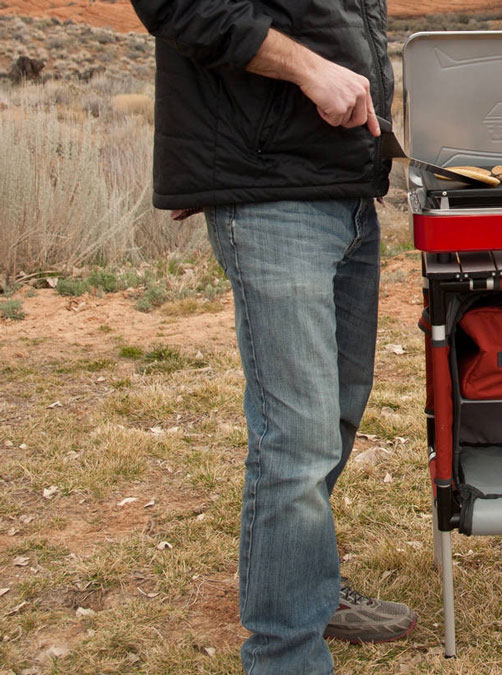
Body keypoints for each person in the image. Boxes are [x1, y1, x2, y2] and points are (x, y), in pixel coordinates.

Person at [127, 1, 415, 672]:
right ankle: (285, 652)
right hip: (268, 195)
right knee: (299, 438)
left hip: (344, 183)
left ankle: (306, 590)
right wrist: (311, 70)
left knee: (334, 418)